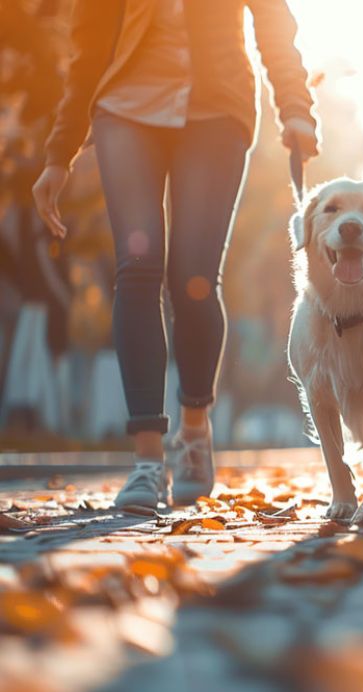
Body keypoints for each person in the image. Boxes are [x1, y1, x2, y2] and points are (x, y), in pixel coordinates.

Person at [32, 0, 319, 509]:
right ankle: (147, 462)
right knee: (137, 269)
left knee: (194, 278)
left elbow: (273, 19)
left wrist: (294, 106)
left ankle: (193, 428)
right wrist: (60, 153)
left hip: (217, 109)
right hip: (126, 107)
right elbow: (89, 46)